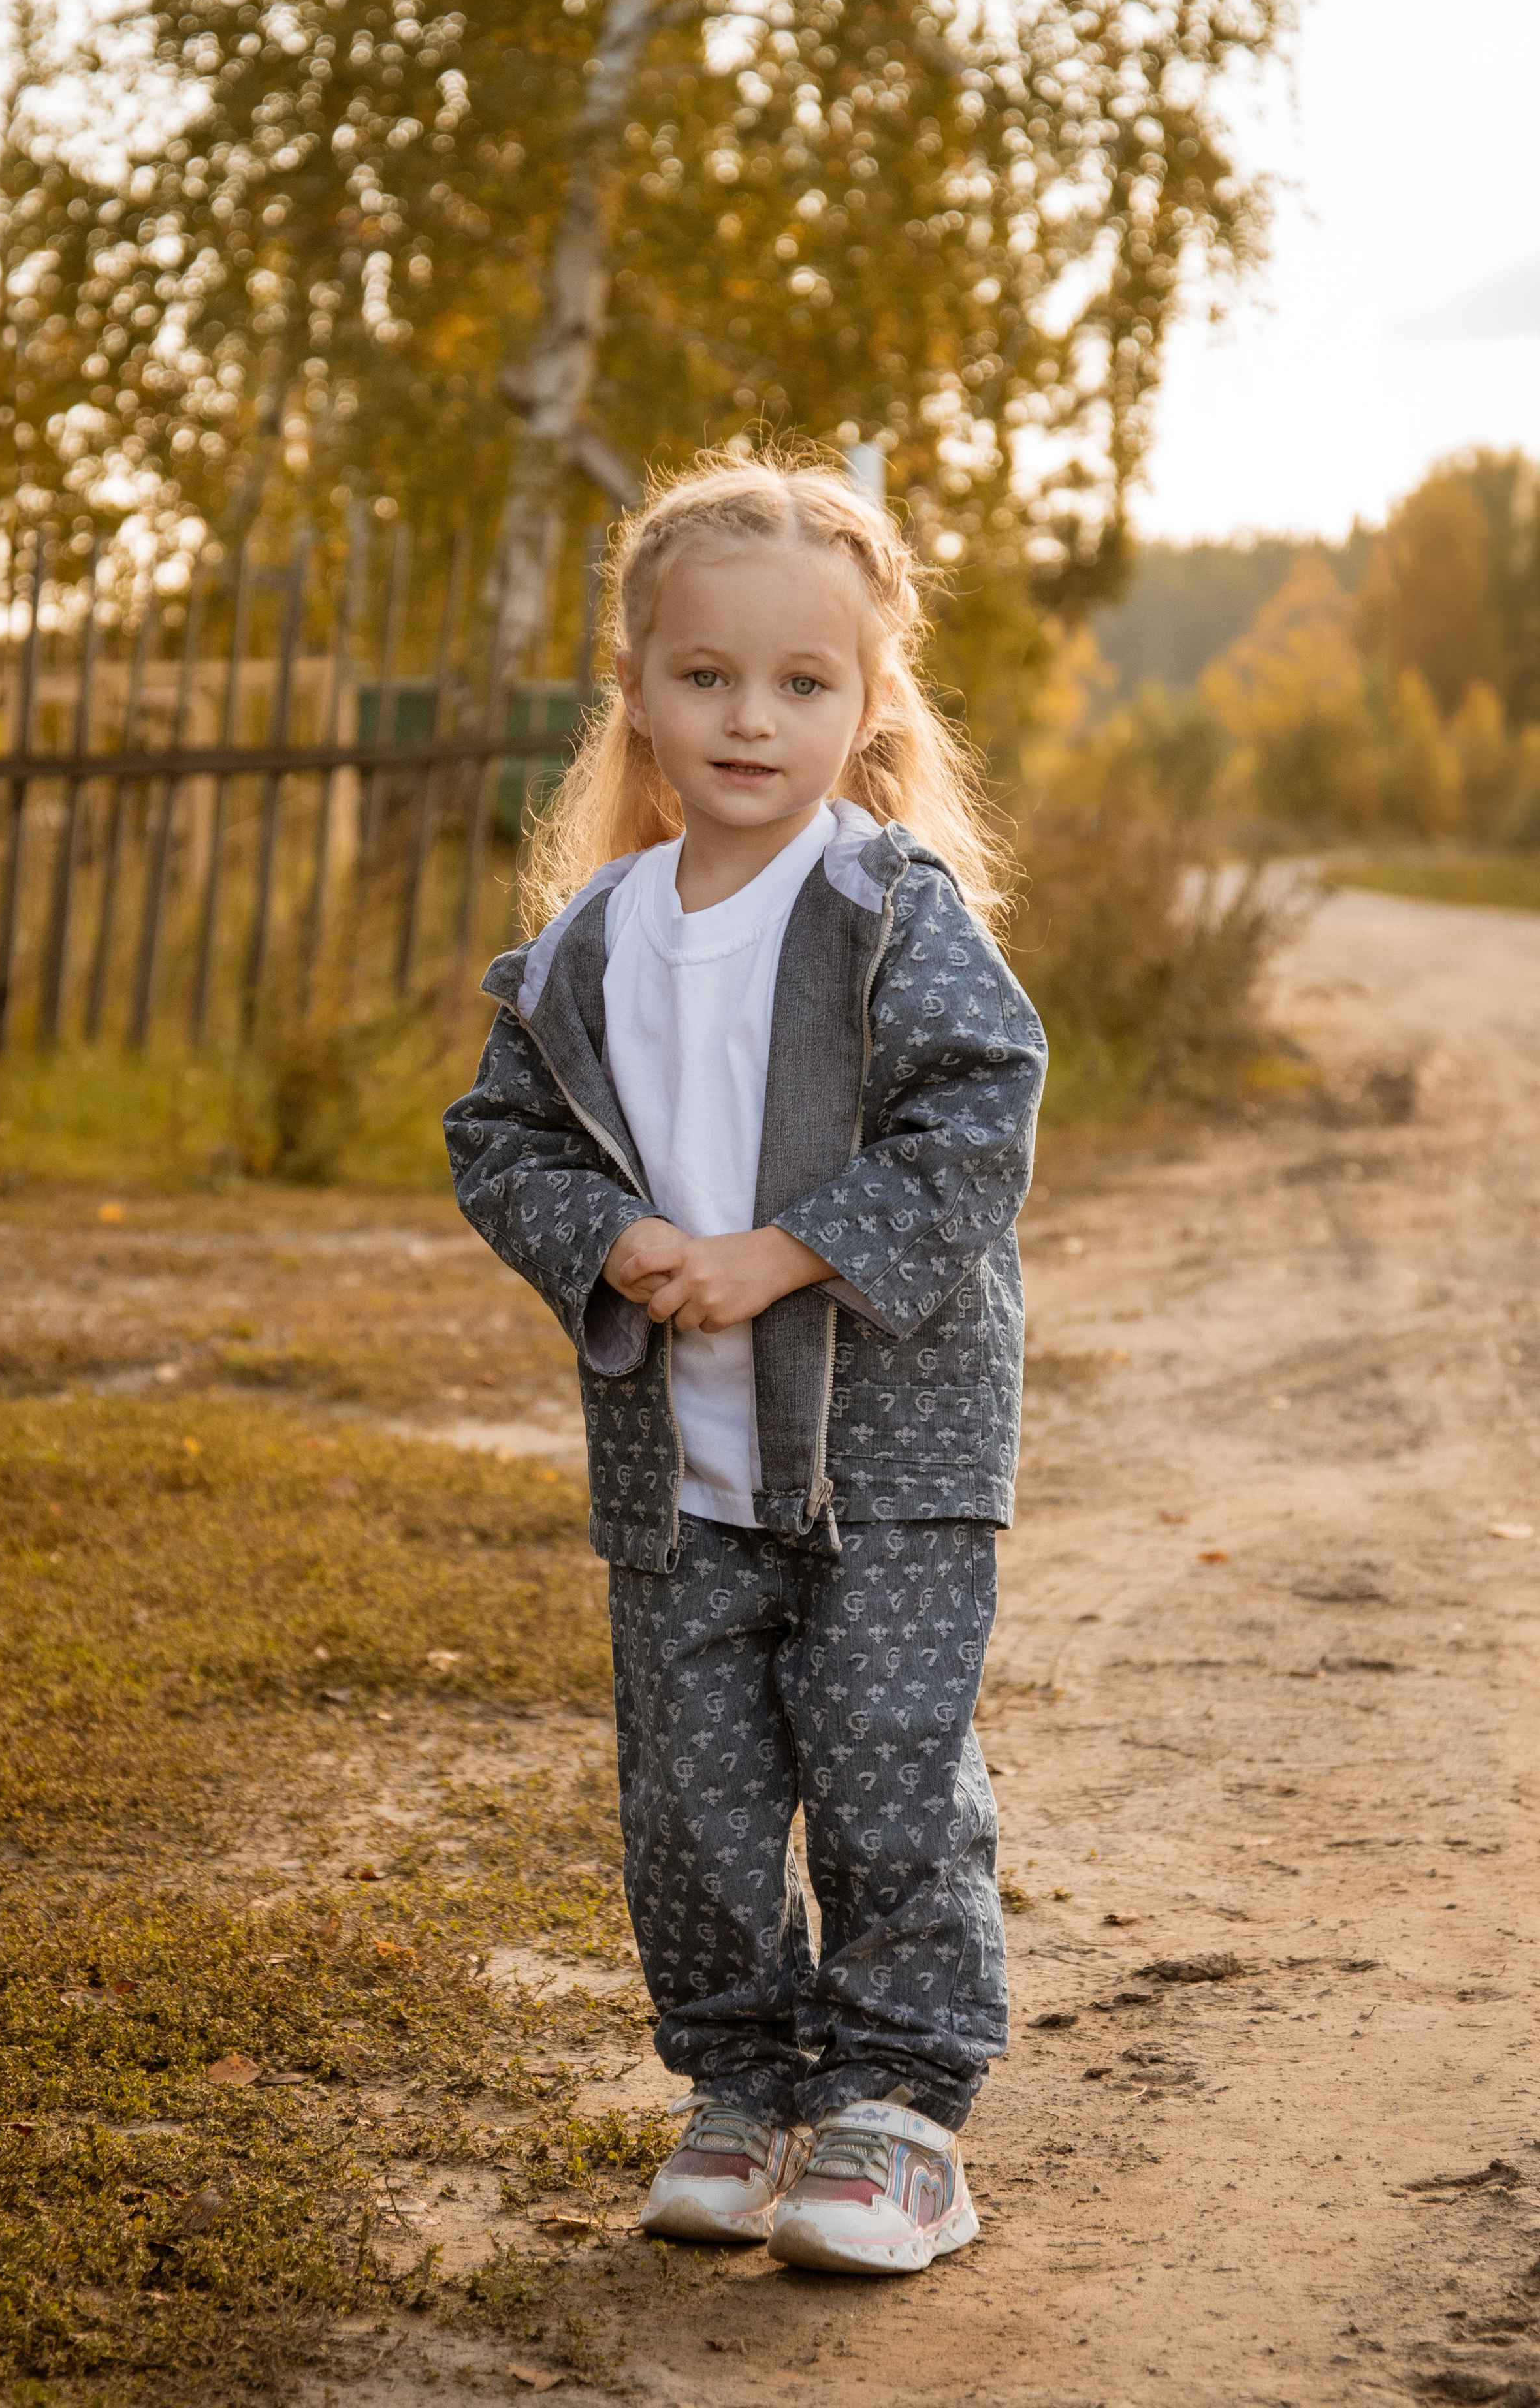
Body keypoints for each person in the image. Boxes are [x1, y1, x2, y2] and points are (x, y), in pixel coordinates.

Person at [444, 454, 1046, 2277]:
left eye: (803, 683)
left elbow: (980, 1114)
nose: (751, 717)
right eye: (706, 676)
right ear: (633, 687)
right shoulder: (593, 939)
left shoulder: (889, 909)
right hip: (679, 1469)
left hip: (890, 1458)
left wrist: (790, 1252)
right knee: (695, 1801)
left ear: (871, 708)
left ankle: (895, 2117)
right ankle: (742, 2084)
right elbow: (503, 1138)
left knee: (879, 1765)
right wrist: (610, 1244)